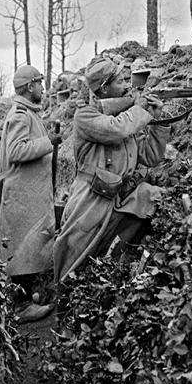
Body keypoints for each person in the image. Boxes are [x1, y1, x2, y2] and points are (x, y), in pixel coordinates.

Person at [53, 57, 170, 290]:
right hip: (90, 197)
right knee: (74, 254)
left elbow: (149, 157)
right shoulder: (85, 115)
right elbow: (116, 129)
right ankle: (64, 303)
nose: (127, 85)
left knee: (157, 200)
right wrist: (139, 108)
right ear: (104, 88)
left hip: (121, 194)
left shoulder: (127, 116)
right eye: (120, 82)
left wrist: (158, 121)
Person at [0, 65, 62, 322]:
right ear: (30, 86)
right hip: (22, 197)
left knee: (28, 247)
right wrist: (48, 142)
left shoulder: (27, 112)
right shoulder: (20, 115)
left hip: (28, 195)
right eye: (40, 83)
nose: (43, 88)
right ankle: (21, 307)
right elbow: (17, 151)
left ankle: (29, 298)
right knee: (20, 251)